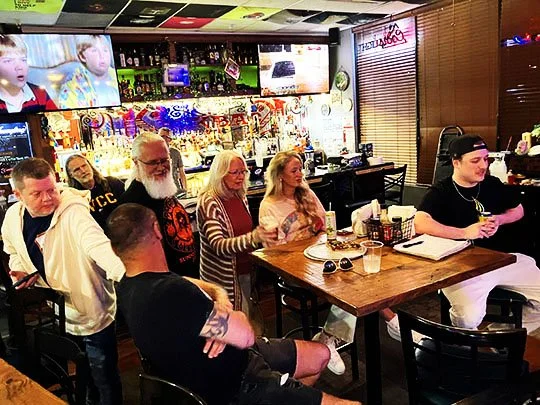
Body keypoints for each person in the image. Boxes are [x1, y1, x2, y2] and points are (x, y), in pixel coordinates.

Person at [108, 203, 361, 405]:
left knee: (321, 355)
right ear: (157, 230)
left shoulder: (128, 287)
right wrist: (229, 322)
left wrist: (219, 301)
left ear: (114, 248)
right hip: (236, 385)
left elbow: (193, 285)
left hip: (230, 363)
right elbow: (246, 335)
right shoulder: (171, 292)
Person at [259, 151, 410, 376]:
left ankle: (329, 337)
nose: (300, 174)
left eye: (300, 169)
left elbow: (325, 222)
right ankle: (387, 321)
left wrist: (321, 236)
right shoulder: (269, 205)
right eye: (294, 170)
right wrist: (306, 235)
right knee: (350, 281)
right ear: (280, 175)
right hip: (293, 266)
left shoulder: (305, 192)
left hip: (319, 255)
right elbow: (276, 249)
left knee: (356, 273)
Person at [1, 158, 124, 405]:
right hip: (61, 312)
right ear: (18, 195)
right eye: (37, 194)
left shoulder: (74, 213)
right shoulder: (13, 217)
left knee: (104, 379)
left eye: (51, 189)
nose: (48, 198)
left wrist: (131, 277)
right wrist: (21, 270)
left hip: (93, 311)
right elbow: (13, 250)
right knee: (84, 377)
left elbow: (99, 247)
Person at [415, 134, 540, 333]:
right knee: (468, 318)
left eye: (485, 159)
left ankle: (498, 335)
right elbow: (420, 222)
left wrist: (500, 219)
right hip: (462, 268)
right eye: (475, 161)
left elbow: (518, 210)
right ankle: (462, 338)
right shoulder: (441, 191)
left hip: (501, 259)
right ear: (456, 162)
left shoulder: (492, 184)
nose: (483, 166)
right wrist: (464, 232)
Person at [197, 150, 276, 323]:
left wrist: (262, 238)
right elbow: (218, 245)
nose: (240, 177)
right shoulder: (209, 202)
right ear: (220, 174)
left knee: (245, 320)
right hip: (221, 280)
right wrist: (253, 238)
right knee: (229, 326)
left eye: (243, 172)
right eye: (235, 172)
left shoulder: (240, 195)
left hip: (244, 271)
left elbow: (243, 233)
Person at [120, 132, 197, 278]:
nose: (161, 167)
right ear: (136, 162)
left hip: (189, 281)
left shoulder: (162, 188)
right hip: (168, 286)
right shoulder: (130, 207)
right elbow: (143, 269)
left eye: (165, 160)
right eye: (153, 162)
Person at [58, 34, 119, 109]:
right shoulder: (72, 87)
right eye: (94, 51)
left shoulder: (116, 76)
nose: (102, 56)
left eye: (105, 50)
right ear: (82, 56)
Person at [0, 34, 57, 113]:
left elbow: (57, 119)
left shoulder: (40, 94)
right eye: (8, 61)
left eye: (23, 60)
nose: (19, 67)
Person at [65, 153, 124, 229]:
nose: (83, 171)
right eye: (77, 169)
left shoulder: (113, 183)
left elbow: (128, 204)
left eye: (84, 166)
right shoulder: (74, 198)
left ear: (90, 166)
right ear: (71, 175)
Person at [158, 127, 187, 194]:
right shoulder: (154, 153)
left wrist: (185, 189)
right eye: (160, 136)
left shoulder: (175, 153)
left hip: (175, 190)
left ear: (170, 139)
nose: (161, 139)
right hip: (161, 191)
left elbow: (182, 173)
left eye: (164, 137)